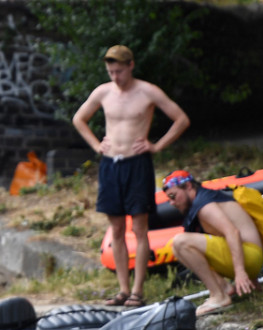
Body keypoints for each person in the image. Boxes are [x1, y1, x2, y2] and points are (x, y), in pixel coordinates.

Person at [72, 45, 190, 307]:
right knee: (115, 228)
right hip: (111, 164)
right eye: (111, 72)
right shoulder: (103, 91)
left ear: (130, 66)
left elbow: (181, 119)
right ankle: (123, 289)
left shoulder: (147, 91)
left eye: (119, 72)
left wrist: (156, 145)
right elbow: (79, 119)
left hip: (137, 164)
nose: (115, 77)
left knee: (139, 227)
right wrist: (95, 145)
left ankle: (138, 290)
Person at [161, 170, 263, 317]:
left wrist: (240, 272)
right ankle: (224, 288)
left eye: (173, 196)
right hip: (250, 258)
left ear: (188, 186)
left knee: (180, 242)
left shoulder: (205, 205)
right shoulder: (202, 199)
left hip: (251, 257)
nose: (171, 202)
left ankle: (218, 296)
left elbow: (232, 232)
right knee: (177, 248)